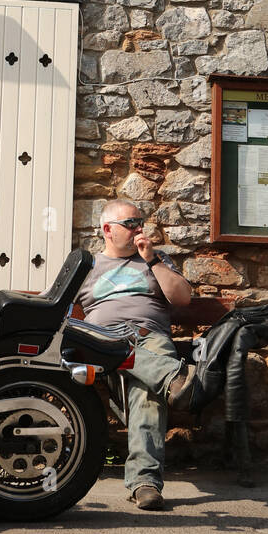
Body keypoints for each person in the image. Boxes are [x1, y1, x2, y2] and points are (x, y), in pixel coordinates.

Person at [76, 199, 195, 511]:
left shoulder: (157, 260)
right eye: (130, 224)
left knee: (145, 389)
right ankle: (173, 378)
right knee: (155, 376)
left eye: (140, 223)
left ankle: (144, 484)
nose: (138, 229)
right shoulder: (87, 267)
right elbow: (59, 308)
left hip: (150, 339)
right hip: (104, 341)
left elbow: (182, 298)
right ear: (107, 230)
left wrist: (152, 260)